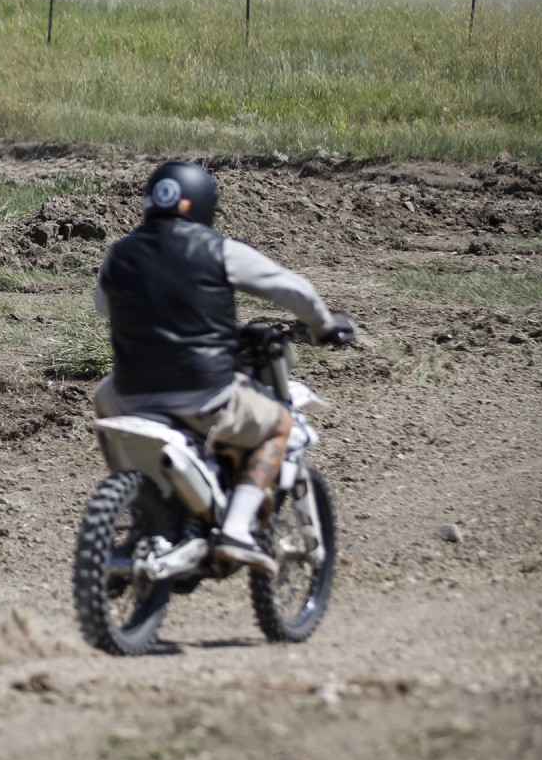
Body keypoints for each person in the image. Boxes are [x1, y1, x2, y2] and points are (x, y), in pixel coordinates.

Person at [94, 161, 354, 575]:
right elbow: (294, 290)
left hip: (129, 394)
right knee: (279, 423)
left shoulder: (118, 253)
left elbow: (105, 305)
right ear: (203, 205)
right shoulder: (219, 249)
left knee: (102, 397)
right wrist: (325, 326)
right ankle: (235, 529)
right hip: (203, 393)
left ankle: (147, 506)